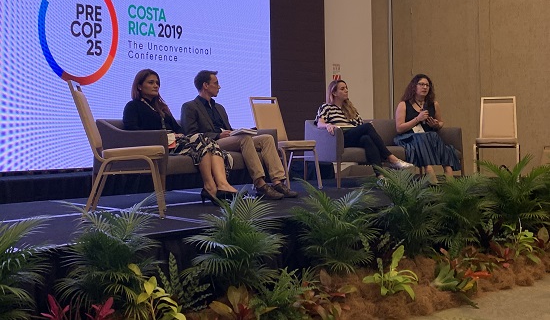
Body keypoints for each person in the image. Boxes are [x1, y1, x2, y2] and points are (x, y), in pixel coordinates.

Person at [123, 69, 238, 204]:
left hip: (175, 142)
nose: (156, 86)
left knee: (207, 142)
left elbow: (177, 128)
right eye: (151, 82)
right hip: (157, 145)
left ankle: (220, 185)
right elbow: (133, 131)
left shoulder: (161, 107)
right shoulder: (132, 106)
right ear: (139, 86)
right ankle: (211, 185)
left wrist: (178, 134)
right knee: (202, 140)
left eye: (157, 83)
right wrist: (163, 135)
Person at [181, 70, 297, 200]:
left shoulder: (219, 107)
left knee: (267, 138)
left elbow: (228, 129)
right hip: (211, 144)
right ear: (205, 85)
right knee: (244, 139)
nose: (219, 87)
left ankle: (277, 182)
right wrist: (218, 135)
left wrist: (241, 131)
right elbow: (191, 134)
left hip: (229, 139)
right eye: (216, 83)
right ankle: (260, 184)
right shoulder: (190, 106)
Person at [315, 80, 413, 180]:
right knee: (367, 127)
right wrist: (328, 125)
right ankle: (391, 158)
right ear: (334, 93)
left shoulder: (350, 109)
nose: (346, 90)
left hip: (353, 136)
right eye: (342, 89)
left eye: (346, 88)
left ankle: (380, 176)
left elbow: (360, 124)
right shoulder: (326, 107)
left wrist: (368, 126)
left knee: (366, 139)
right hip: (340, 138)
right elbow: (319, 123)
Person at [394, 74, 461, 182]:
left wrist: (436, 125)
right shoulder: (404, 104)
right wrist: (417, 119)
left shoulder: (434, 104)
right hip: (409, 138)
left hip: (430, 138)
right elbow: (399, 128)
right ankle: (429, 171)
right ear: (414, 86)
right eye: (421, 84)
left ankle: (448, 173)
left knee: (433, 136)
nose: (424, 87)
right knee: (422, 137)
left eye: (427, 85)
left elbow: (441, 122)